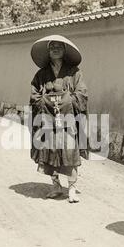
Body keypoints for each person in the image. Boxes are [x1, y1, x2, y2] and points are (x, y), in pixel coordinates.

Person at [30, 35, 88, 203]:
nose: (55, 49)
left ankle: (71, 188)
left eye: (59, 47)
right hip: (48, 121)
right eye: (52, 47)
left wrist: (66, 100)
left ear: (64, 51)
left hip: (68, 121)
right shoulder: (41, 74)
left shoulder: (74, 72)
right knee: (50, 152)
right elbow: (34, 95)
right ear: (48, 51)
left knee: (69, 152)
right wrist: (45, 102)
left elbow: (82, 93)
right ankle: (56, 186)